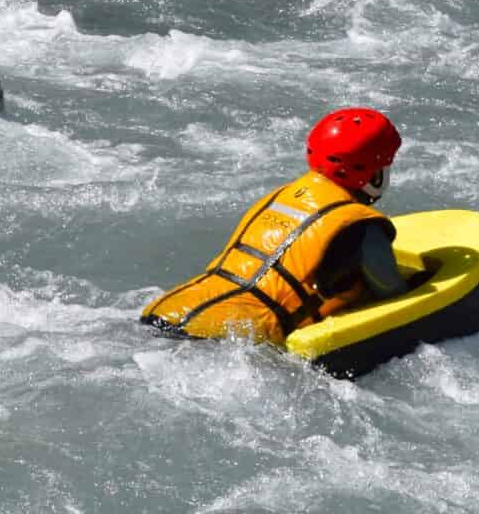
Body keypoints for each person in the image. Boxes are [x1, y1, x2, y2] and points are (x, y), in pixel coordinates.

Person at [141, 107, 417, 346]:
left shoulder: (282, 196)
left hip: (171, 308)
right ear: (373, 175)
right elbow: (393, 294)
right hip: (231, 335)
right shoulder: (362, 227)